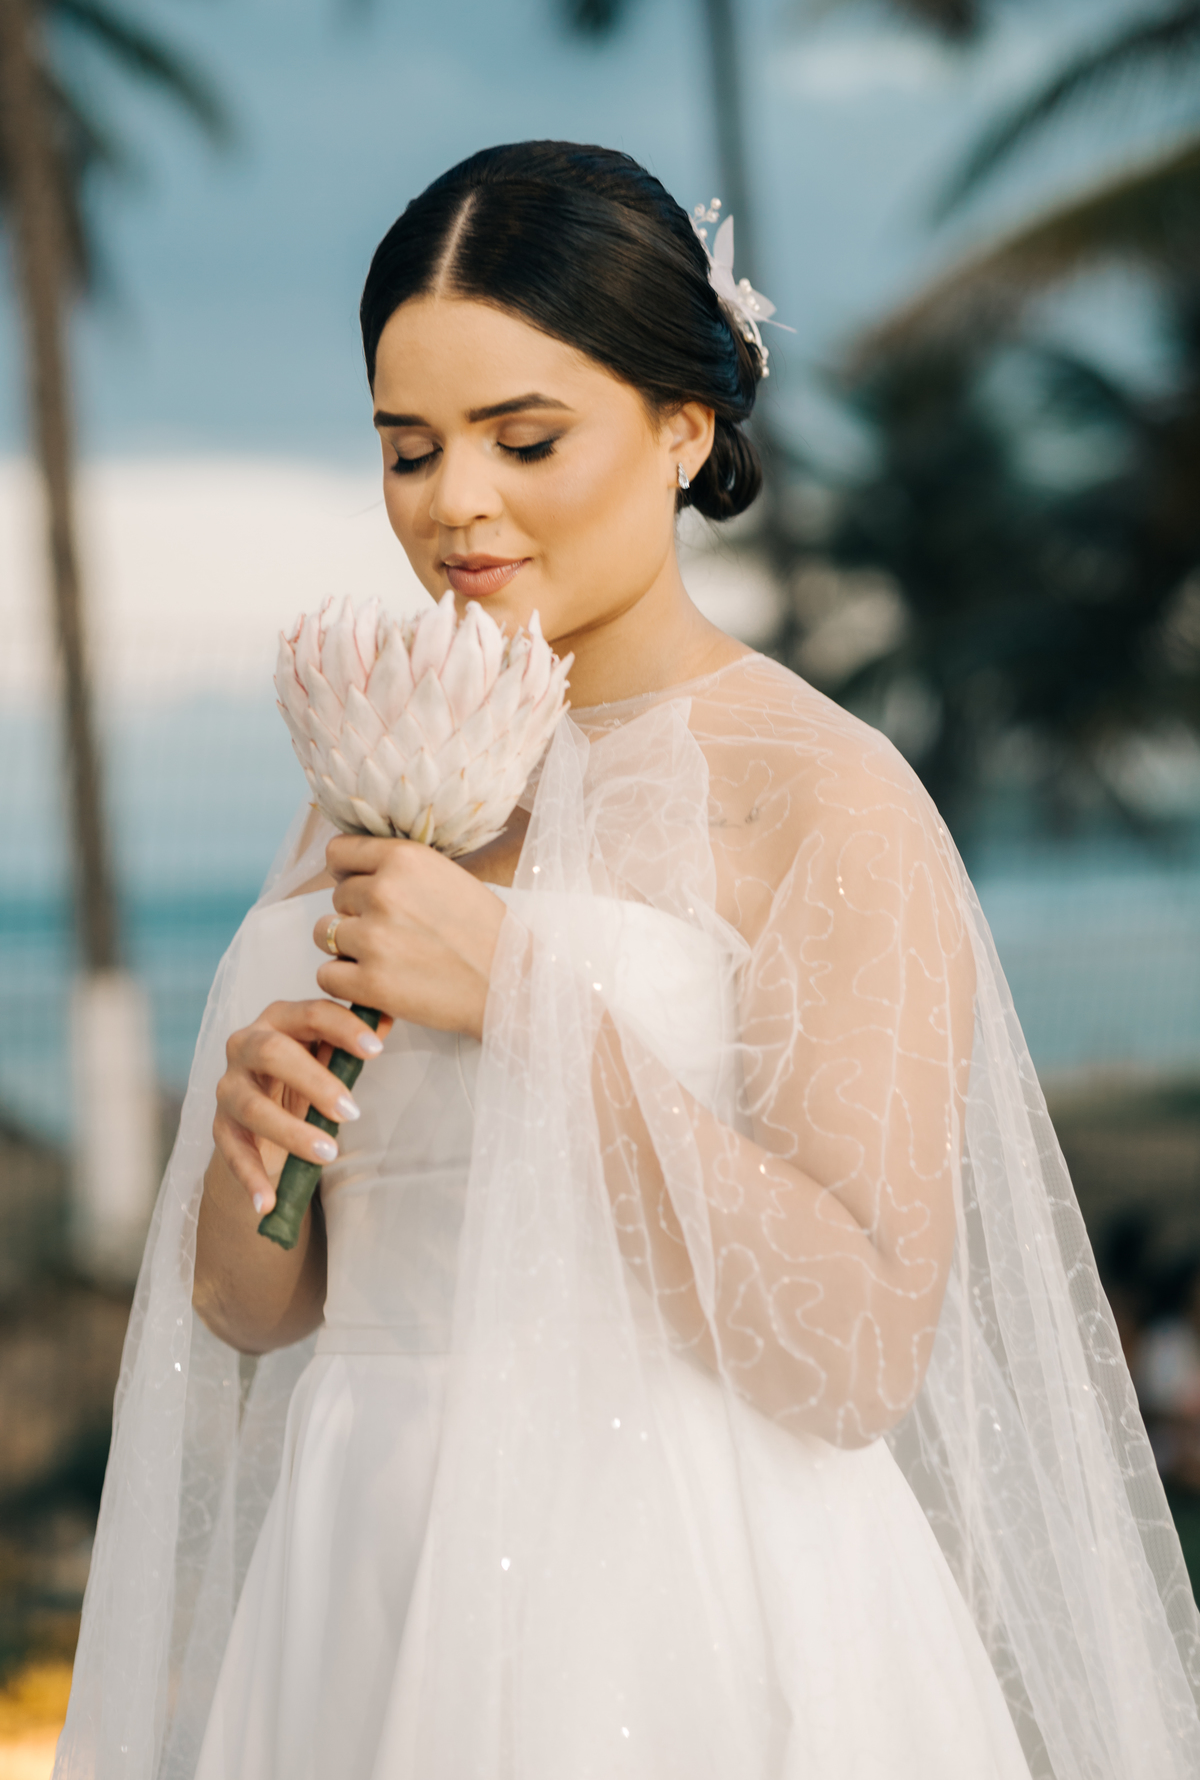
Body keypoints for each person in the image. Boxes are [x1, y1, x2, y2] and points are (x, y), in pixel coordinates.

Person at [57, 143, 1200, 1780]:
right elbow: (255, 1310)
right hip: (362, 1565)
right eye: (407, 449)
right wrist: (254, 1148)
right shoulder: (374, 769)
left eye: (524, 440)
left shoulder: (818, 792)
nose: (455, 502)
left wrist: (524, 1001)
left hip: (678, 1591)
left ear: (683, 428)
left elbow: (860, 1352)